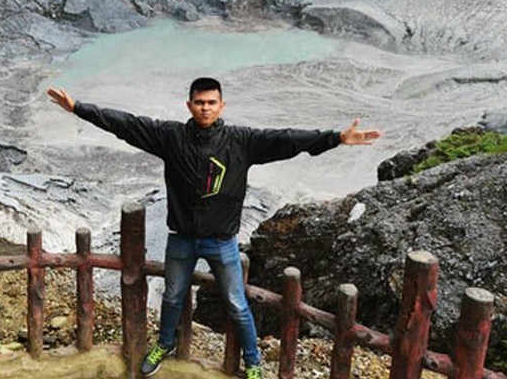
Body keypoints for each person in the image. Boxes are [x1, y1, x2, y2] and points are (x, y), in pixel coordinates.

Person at [47, 77, 381, 379]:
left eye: (211, 102)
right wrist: (79, 109)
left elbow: (287, 140)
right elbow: (127, 125)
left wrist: (335, 138)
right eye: (199, 102)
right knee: (173, 298)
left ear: (222, 105)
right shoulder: (171, 137)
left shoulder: (241, 141)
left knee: (236, 303)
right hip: (182, 240)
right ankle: (165, 345)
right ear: (189, 105)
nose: (205, 108)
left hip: (222, 242)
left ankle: (252, 363)